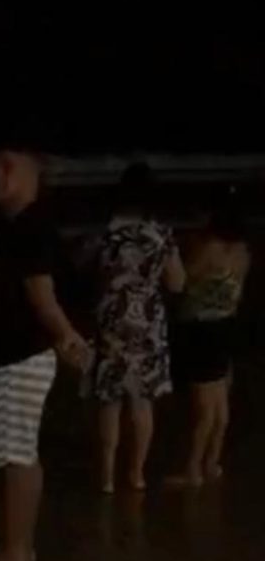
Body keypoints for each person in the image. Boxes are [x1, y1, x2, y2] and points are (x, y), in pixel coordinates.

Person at [0, 144, 88, 561]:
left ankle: (15, 557)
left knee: (18, 455)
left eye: (7, 168)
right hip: (17, 354)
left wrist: (68, 336)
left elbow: (41, 294)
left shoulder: (30, 227)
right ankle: (17, 546)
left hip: (19, 356)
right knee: (18, 452)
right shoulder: (23, 226)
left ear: (35, 174)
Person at [89, 163, 185, 493]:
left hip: (111, 320)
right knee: (142, 402)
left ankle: (106, 477)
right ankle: (136, 473)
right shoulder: (161, 234)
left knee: (110, 400)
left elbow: (87, 270)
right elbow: (177, 283)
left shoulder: (106, 232)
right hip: (147, 324)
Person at [168, 197, 251, 487]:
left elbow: (182, 280)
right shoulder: (242, 252)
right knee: (219, 404)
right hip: (227, 327)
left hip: (201, 331)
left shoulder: (208, 249)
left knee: (203, 409)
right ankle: (212, 462)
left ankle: (192, 469)